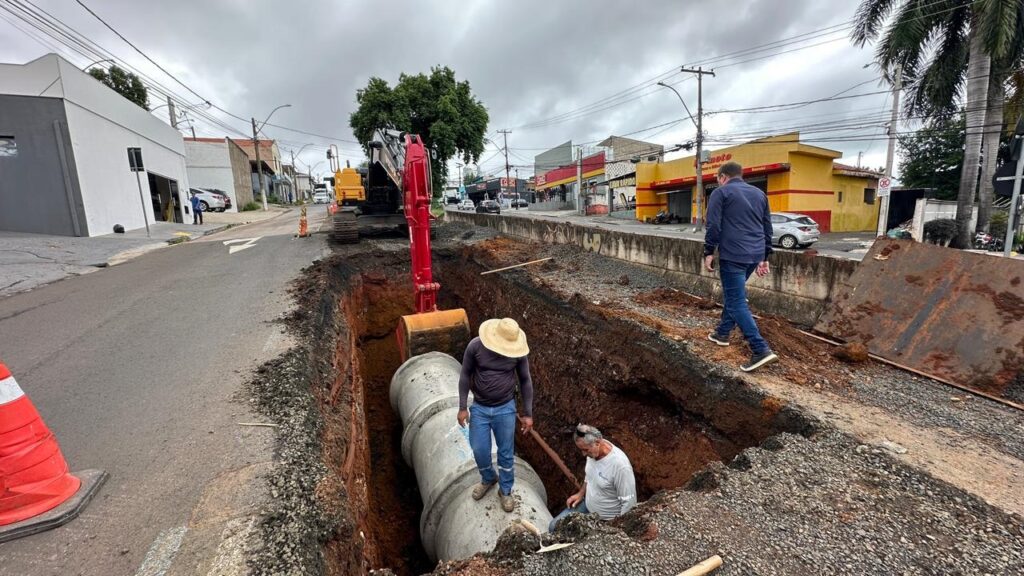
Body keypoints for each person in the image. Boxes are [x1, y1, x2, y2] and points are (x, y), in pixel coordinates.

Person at [703, 161, 778, 372]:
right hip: (754, 254)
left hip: (733, 254)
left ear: (722, 177)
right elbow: (767, 227)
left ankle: (760, 348)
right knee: (734, 294)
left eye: (718, 179)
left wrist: (709, 251)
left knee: (735, 300)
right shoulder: (759, 194)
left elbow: (714, 225)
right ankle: (722, 333)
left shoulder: (721, 192)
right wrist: (765, 256)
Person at [457, 317, 535, 513]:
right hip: (480, 409)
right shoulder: (475, 347)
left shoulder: (517, 353)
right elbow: (465, 375)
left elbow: (525, 380)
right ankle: (488, 477)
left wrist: (528, 413)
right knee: (479, 449)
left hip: (505, 409)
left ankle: (506, 490)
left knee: (506, 453)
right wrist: (462, 407)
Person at [549, 424, 636, 532]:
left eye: (585, 450)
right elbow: (589, 475)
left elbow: (629, 503)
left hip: (605, 520)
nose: (584, 454)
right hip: (587, 506)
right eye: (581, 450)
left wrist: (616, 529)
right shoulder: (593, 452)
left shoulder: (620, 466)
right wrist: (580, 493)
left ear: (598, 443)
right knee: (554, 527)